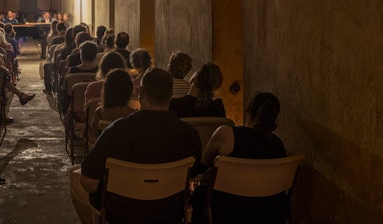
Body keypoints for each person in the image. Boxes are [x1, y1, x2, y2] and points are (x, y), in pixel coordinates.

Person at [70, 68, 200, 224]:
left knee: (76, 179)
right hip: (170, 210)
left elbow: (89, 182)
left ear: (140, 92)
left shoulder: (116, 131)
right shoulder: (189, 134)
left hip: (120, 212)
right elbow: (194, 175)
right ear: (171, 94)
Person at [191, 92, 288, 224]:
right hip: (268, 213)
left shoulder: (226, 134)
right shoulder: (278, 146)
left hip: (227, 211)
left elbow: (202, 165)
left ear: (248, 109)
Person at [88, 69, 137, 145]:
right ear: (129, 89)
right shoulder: (135, 115)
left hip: (106, 154)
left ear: (106, 90)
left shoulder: (99, 113)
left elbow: (97, 136)